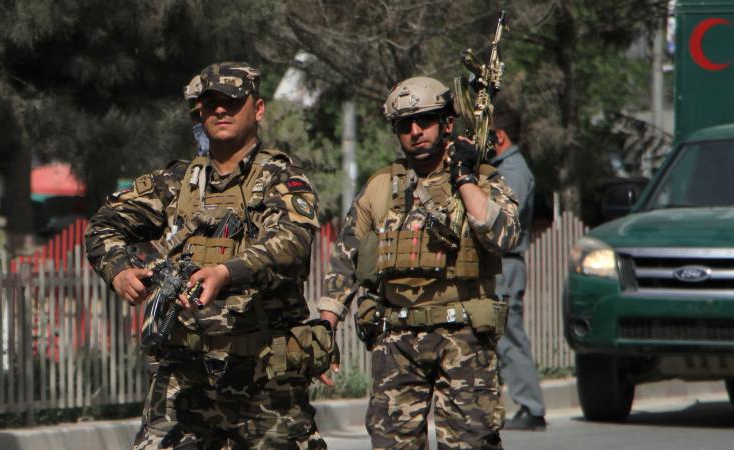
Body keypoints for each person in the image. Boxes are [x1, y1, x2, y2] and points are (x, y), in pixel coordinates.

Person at [85, 62, 329, 449]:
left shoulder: (281, 179)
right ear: (199, 111)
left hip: (264, 376)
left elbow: (291, 241)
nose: (220, 110)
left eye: (232, 102)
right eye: (210, 102)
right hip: (185, 374)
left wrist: (225, 272)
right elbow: (103, 225)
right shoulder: (175, 183)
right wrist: (119, 271)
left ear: (258, 109)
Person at [318, 76, 521, 449]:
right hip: (396, 340)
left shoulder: (481, 179)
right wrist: (326, 325)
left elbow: (504, 236)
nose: (415, 132)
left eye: (425, 120)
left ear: (447, 123)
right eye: (404, 125)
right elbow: (345, 259)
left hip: (463, 339)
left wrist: (464, 177)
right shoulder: (381, 186)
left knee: (470, 443)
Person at [490, 107, 546, 431]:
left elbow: (502, 219)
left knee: (509, 336)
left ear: (499, 136)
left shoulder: (513, 171)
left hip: (506, 264)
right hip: (498, 266)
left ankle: (531, 407)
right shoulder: (500, 168)